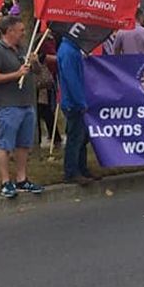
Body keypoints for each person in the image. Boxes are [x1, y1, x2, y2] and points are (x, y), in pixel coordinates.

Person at [0, 15, 44, 198]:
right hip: (8, 104)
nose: (23, 34)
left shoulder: (22, 49)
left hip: (26, 102)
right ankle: (5, 181)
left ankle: (22, 178)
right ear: (9, 31)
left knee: (23, 144)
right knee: (5, 143)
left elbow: (37, 72)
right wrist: (16, 74)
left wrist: (34, 63)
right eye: (20, 30)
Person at [56, 33, 99, 185]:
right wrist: (81, 102)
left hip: (75, 101)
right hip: (73, 103)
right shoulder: (68, 52)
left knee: (81, 137)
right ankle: (72, 171)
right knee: (75, 138)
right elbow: (72, 79)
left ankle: (81, 168)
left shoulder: (71, 50)